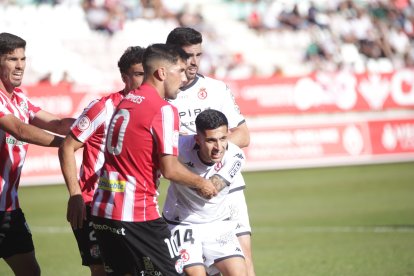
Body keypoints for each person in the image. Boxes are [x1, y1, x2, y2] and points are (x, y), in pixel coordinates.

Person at [90, 43, 218, 276]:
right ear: (161, 73)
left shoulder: (125, 102)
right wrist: (203, 183)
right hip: (137, 214)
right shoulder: (163, 109)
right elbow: (169, 169)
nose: (184, 78)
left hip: (104, 211)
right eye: (179, 71)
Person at [166, 27, 256, 276]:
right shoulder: (163, 96)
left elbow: (243, 135)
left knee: (243, 259)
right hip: (186, 193)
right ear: (171, 56)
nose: (193, 62)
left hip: (228, 186)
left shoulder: (216, 89)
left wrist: (211, 150)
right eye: (187, 55)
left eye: (198, 55)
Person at [58, 46, 146, 276]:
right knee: (101, 270)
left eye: (147, 73)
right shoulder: (103, 107)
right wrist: (75, 195)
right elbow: (68, 146)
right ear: (125, 77)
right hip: (95, 204)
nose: (144, 79)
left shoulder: (153, 110)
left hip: (133, 204)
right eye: (138, 74)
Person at [0, 32, 74, 276]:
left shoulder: (19, 98)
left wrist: (95, 122)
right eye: (12, 59)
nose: (20, 65)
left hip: (9, 209)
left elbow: (57, 123)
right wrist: (66, 145)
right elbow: (20, 130)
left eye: (22, 59)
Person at [163, 109, 248, 276]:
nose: (218, 147)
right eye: (210, 141)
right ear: (197, 139)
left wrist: (176, 173)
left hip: (218, 224)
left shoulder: (235, 155)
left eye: (223, 139)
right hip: (182, 224)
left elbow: (210, 190)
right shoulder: (179, 147)